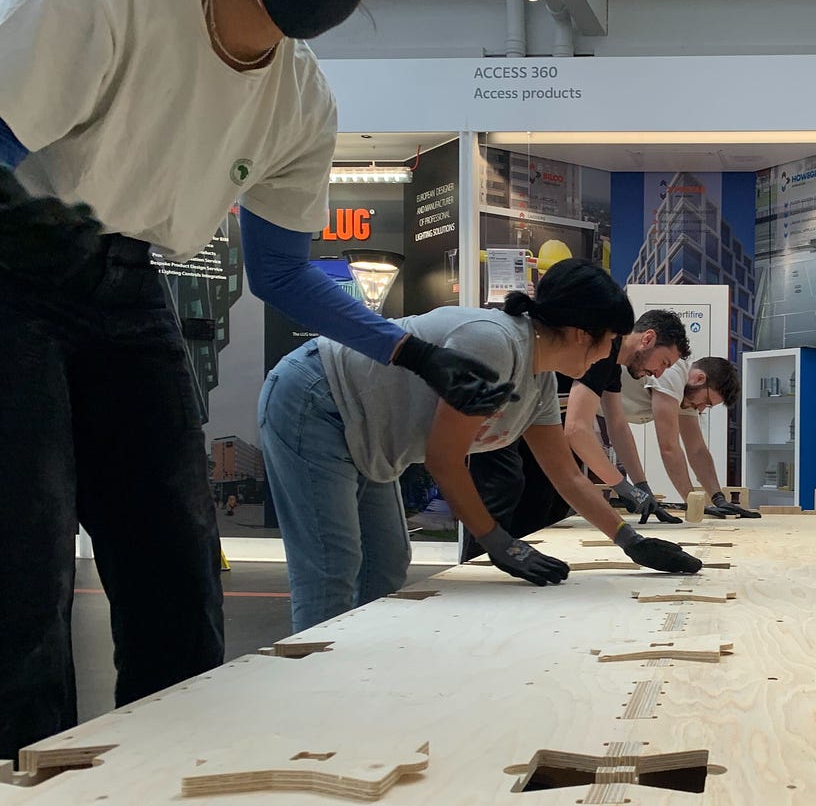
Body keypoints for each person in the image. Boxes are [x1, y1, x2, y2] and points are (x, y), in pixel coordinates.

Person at [0, 0, 517, 761]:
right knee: (24, 567)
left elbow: (282, 272)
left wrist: (412, 354)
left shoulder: (301, 101)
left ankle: (168, 778)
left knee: (177, 566)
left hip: (129, 281)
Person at [261, 260, 703, 632]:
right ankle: (315, 695)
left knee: (386, 562)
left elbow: (566, 475)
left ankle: (356, 672)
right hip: (317, 400)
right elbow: (444, 459)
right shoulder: (495, 344)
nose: (610, 355)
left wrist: (631, 541)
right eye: (608, 341)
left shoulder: (540, 380)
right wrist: (499, 543)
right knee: (332, 565)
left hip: (369, 431)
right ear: (578, 332)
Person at [461, 307, 691, 561]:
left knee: (544, 497)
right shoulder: (603, 349)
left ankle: (521, 569)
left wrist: (641, 486)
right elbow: (577, 430)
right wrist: (624, 487)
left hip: (531, 412)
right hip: (503, 403)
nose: (658, 373)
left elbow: (618, 426)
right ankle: (479, 566)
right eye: (663, 363)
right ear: (647, 339)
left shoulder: (612, 365)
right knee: (502, 486)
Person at [612, 356, 758, 519]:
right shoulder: (671, 374)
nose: (702, 409)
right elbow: (669, 448)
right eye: (706, 401)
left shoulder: (687, 397)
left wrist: (718, 498)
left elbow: (697, 450)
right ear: (699, 378)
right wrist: (693, 502)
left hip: (602, 411)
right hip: (585, 399)